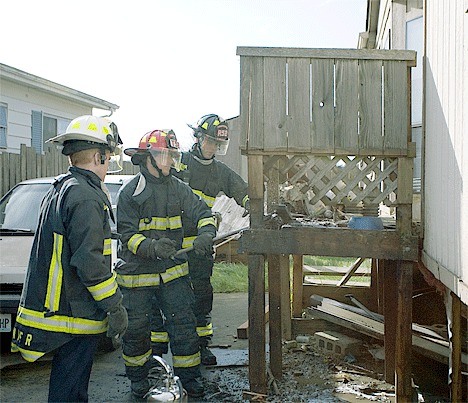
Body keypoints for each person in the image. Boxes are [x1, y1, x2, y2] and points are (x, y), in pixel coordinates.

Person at [11, 115, 128, 402]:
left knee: (68, 387)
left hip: (62, 307)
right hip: (73, 313)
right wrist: (114, 305)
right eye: (108, 155)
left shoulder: (63, 187)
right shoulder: (85, 196)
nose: (108, 163)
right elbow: (89, 262)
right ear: (99, 155)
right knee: (70, 391)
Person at [115, 129, 216, 398]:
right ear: (147, 158)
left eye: (172, 155)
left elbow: (204, 213)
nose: (170, 161)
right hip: (137, 278)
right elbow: (126, 236)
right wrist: (151, 247)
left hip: (173, 274)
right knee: (136, 332)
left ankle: (190, 380)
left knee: (184, 327)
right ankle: (140, 381)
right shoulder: (129, 193)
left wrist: (206, 235)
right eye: (164, 155)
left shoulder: (179, 189)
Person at [150, 114, 249, 366]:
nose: (214, 148)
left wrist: (255, 207)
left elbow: (243, 192)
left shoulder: (220, 172)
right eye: (211, 142)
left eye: (219, 144)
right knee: (164, 297)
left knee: (202, 297)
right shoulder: (179, 162)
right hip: (169, 244)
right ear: (198, 138)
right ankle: (157, 353)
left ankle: (202, 346)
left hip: (200, 245)